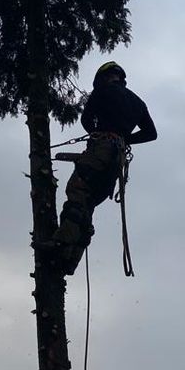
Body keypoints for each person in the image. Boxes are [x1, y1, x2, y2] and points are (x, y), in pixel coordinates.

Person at [42, 61, 157, 275]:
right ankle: (70, 260)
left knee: (78, 193)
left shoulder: (101, 91)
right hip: (117, 159)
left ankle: (60, 245)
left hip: (101, 149)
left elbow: (86, 120)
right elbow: (151, 133)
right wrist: (125, 138)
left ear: (103, 78)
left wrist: (98, 133)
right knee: (88, 205)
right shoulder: (138, 102)